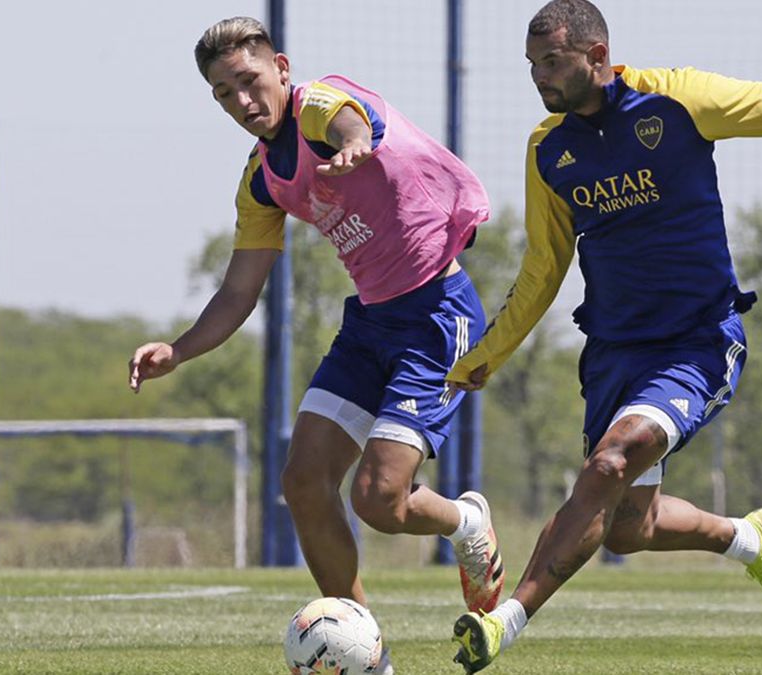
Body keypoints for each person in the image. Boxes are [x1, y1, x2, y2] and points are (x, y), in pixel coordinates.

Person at [446, 1, 762, 670]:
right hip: (614, 353)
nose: (539, 77)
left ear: (597, 56)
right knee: (630, 526)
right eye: (532, 65)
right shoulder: (549, 149)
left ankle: (503, 623)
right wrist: (487, 354)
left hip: (695, 343)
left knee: (607, 464)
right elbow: (542, 268)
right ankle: (751, 538)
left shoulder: (678, 100)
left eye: (552, 62)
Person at [125, 17, 505, 670]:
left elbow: (351, 120)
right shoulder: (259, 181)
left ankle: (465, 523)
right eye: (224, 94)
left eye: (248, 81)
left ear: (281, 67)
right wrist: (180, 349)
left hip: (438, 316)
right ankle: (368, 657)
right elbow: (240, 292)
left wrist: (356, 145)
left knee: (378, 500)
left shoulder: (320, 104)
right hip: (369, 325)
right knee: (303, 481)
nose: (242, 102)